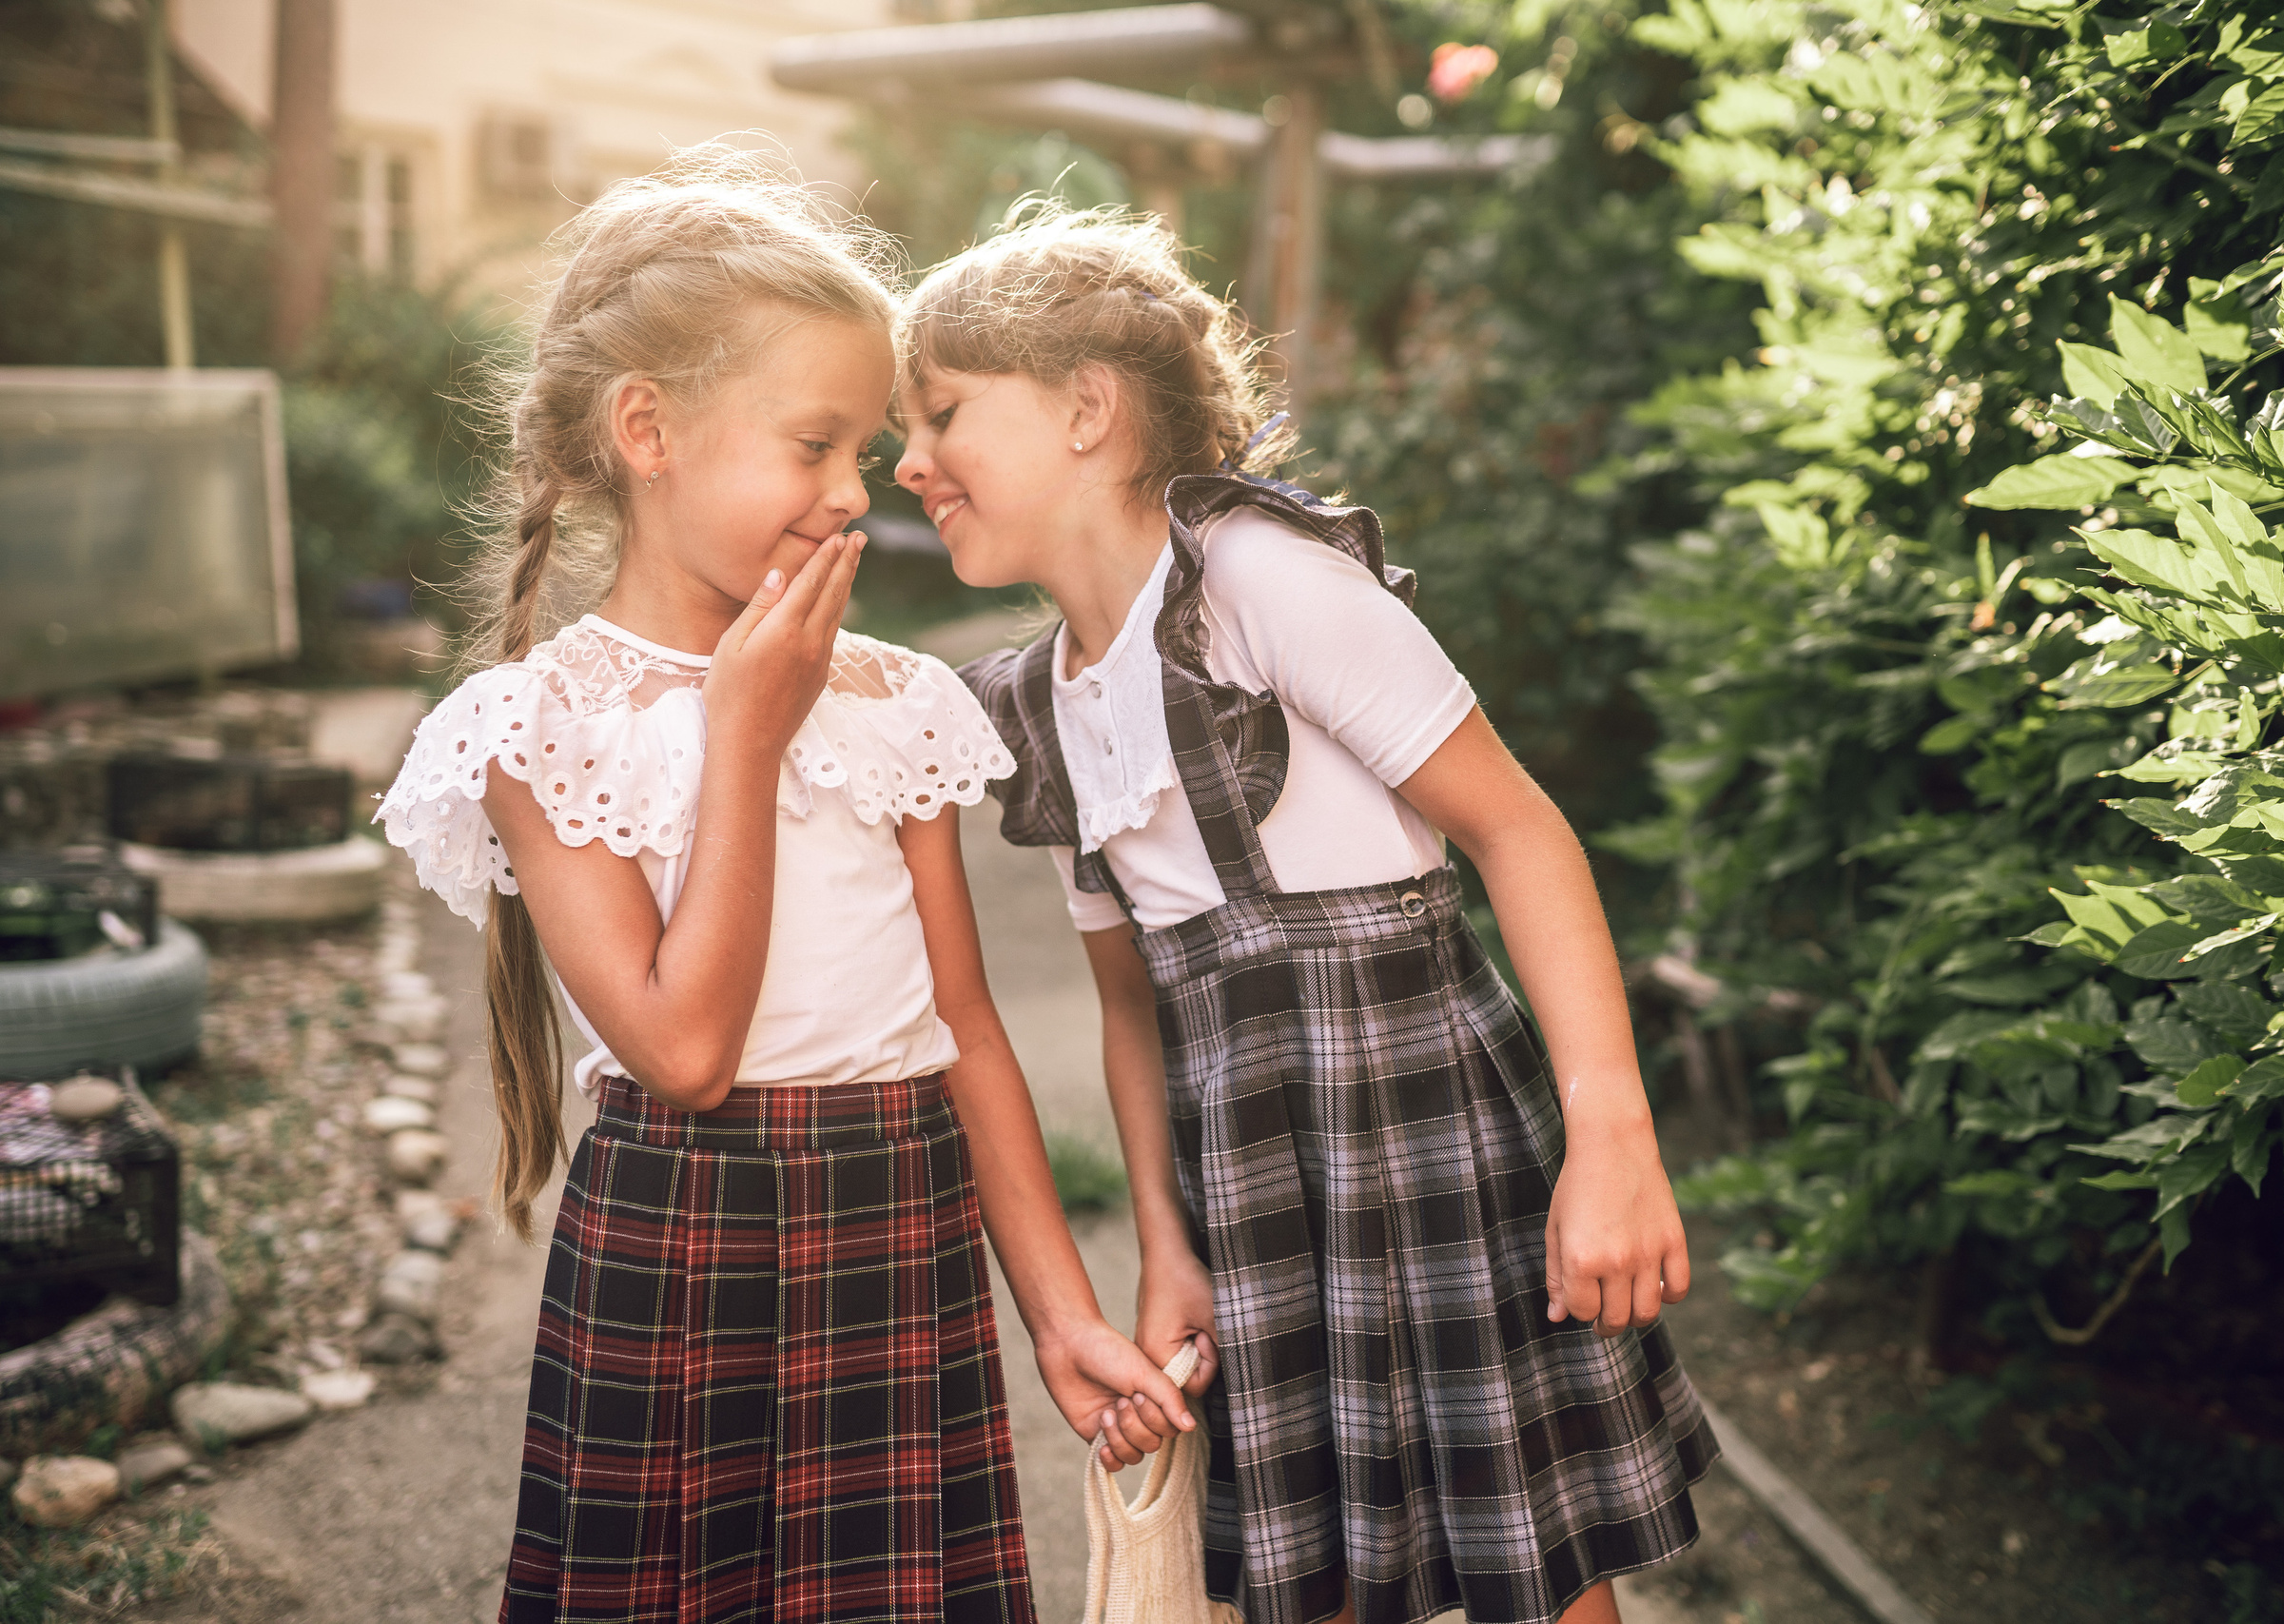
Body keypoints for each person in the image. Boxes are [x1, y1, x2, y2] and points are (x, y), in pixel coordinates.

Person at [374, 154, 1189, 1624]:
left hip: (901, 1224)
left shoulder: (897, 700)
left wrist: (1061, 1314)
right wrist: (743, 741)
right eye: (811, 445)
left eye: (864, 456)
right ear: (647, 433)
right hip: (689, 1243)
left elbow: (968, 1031)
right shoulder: (544, 725)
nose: (848, 500)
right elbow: (683, 1054)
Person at [893, 207, 1721, 1624]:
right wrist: (1164, 1238)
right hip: (1256, 1191)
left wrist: (1613, 1142)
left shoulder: (1261, 584)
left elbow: (1519, 832)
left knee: (1529, 1560)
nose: (910, 463)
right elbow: (1133, 1005)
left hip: (1429, 1139)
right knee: (1312, 1574)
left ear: (1088, 408)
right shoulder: (1034, 708)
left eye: (944, 415)